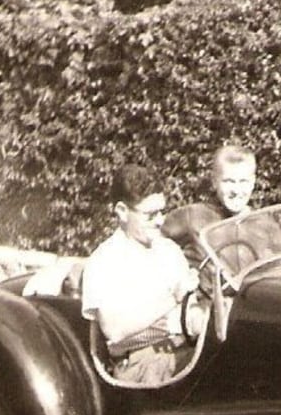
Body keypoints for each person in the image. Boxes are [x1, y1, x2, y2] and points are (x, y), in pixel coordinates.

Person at [82, 163, 199, 385]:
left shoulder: (168, 250)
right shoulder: (105, 261)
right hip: (141, 363)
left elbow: (189, 312)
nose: (160, 220)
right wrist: (173, 298)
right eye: (150, 214)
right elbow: (114, 330)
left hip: (181, 350)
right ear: (122, 212)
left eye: (161, 211)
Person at [162, 143, 257, 265]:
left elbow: (280, 275)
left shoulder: (266, 224)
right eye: (229, 181)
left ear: (253, 182)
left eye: (243, 181)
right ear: (214, 181)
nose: (236, 190)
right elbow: (151, 243)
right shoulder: (193, 216)